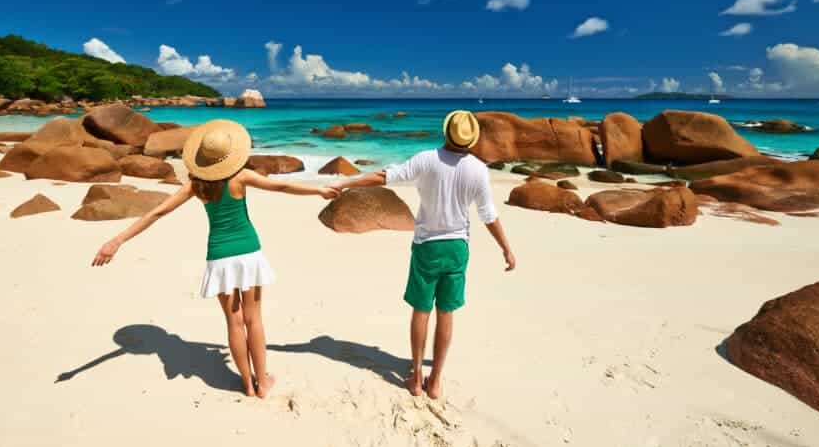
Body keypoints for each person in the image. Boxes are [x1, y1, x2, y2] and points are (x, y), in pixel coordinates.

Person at [92, 119, 338, 398]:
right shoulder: (240, 177)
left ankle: (246, 384)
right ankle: (262, 383)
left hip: (219, 257)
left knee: (234, 323)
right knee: (253, 320)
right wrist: (318, 189)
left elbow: (157, 213)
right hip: (248, 252)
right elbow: (280, 188)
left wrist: (117, 241)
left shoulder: (196, 186)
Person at [329, 110, 516, 399]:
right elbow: (488, 215)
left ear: (446, 132)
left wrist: (344, 183)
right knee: (446, 313)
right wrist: (506, 247)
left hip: (427, 246)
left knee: (421, 310)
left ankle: (416, 378)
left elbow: (384, 176)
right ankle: (436, 381)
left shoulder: (427, 159)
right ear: (471, 140)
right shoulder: (478, 169)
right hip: (456, 248)